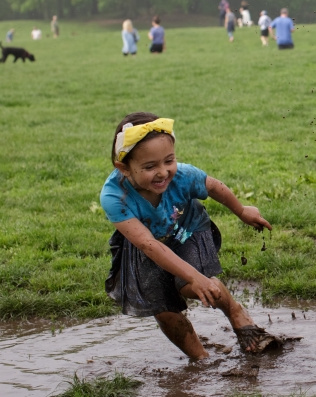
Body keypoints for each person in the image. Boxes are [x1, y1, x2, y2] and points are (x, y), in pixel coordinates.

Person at [100, 112, 280, 357]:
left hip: (187, 229)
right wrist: (195, 275)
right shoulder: (114, 197)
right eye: (150, 166)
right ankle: (200, 360)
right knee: (163, 309)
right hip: (146, 244)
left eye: (168, 160)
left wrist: (242, 211)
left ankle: (235, 311)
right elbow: (149, 246)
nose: (163, 172)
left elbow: (213, 186)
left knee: (189, 286)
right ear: (124, 168)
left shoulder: (183, 175)